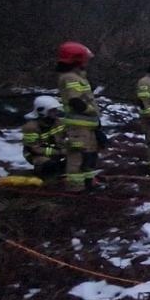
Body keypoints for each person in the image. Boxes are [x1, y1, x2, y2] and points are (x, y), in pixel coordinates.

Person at [56, 41, 102, 192]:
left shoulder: (78, 77)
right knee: (77, 158)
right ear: (77, 59)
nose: (87, 62)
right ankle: (75, 187)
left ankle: (88, 183)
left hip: (87, 125)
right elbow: (75, 100)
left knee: (89, 156)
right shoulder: (70, 78)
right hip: (78, 126)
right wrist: (91, 110)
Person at [21, 95, 67, 179]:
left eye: (56, 109)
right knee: (49, 166)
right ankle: (41, 170)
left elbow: (69, 133)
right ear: (42, 111)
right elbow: (35, 149)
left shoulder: (59, 122)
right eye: (52, 110)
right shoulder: (31, 127)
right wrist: (60, 152)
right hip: (35, 155)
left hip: (57, 151)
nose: (56, 112)